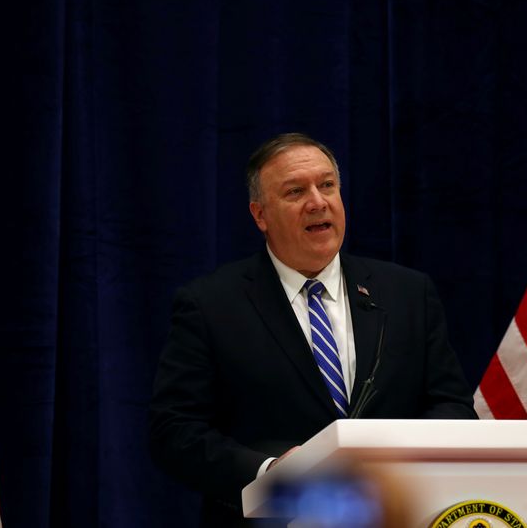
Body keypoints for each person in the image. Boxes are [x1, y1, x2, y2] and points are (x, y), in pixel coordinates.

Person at [149, 133, 476, 527]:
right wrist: (271, 473)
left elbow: (453, 407)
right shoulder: (211, 305)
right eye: (294, 191)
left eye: (327, 185)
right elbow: (175, 432)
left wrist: (395, 464)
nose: (317, 202)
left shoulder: (407, 293)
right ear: (260, 215)